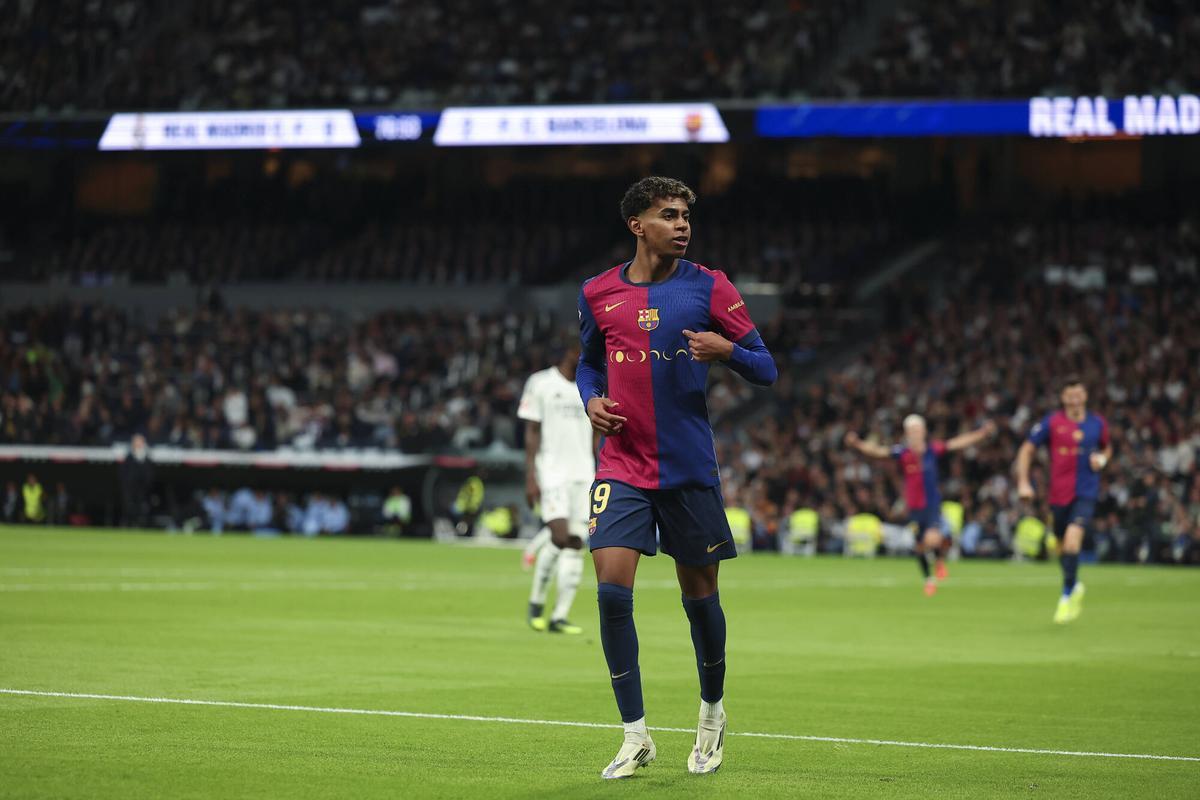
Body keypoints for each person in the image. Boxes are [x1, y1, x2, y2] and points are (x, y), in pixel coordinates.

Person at [576, 177, 777, 778]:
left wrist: (727, 351)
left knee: (700, 599)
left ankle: (711, 716)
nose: (683, 224)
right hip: (623, 466)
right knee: (612, 592)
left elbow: (766, 367)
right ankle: (635, 735)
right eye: (669, 214)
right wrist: (590, 402)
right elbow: (589, 365)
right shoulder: (597, 293)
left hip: (688, 468)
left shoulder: (711, 288)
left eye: (687, 214)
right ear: (637, 225)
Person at [846, 416, 995, 595]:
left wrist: (981, 433)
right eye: (911, 431)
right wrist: (857, 444)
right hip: (914, 508)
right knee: (919, 547)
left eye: (917, 430)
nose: (915, 434)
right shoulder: (903, 453)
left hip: (932, 505)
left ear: (923, 432)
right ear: (907, 434)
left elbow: (957, 443)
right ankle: (929, 580)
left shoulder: (933, 450)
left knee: (932, 539)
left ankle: (939, 561)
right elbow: (879, 451)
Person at [1016, 376, 1112, 624]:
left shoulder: (1097, 423)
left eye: (1079, 394)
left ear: (1085, 396)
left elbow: (1107, 447)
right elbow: (1027, 449)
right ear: (1064, 398)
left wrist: (1102, 459)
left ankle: (1066, 595)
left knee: (1072, 541)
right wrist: (1023, 482)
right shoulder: (1052, 422)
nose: (1075, 399)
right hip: (1058, 495)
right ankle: (1074, 584)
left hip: (1085, 493)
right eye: (1070, 395)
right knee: (1060, 546)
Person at [518, 341, 596, 635]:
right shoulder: (540, 383)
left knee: (577, 543)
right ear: (570, 352)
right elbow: (531, 432)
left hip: (584, 473)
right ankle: (537, 601)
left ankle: (559, 616)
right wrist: (530, 476)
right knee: (560, 535)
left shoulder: (593, 385)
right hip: (551, 471)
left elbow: (597, 433)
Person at [119, 434, 155, 527]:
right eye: (136, 443)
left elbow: (150, 476)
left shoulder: (147, 459)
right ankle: (128, 524)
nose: (138, 445)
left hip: (143, 490)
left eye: (140, 443)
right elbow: (123, 474)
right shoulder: (128, 457)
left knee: (142, 508)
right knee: (129, 507)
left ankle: (141, 525)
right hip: (130, 489)